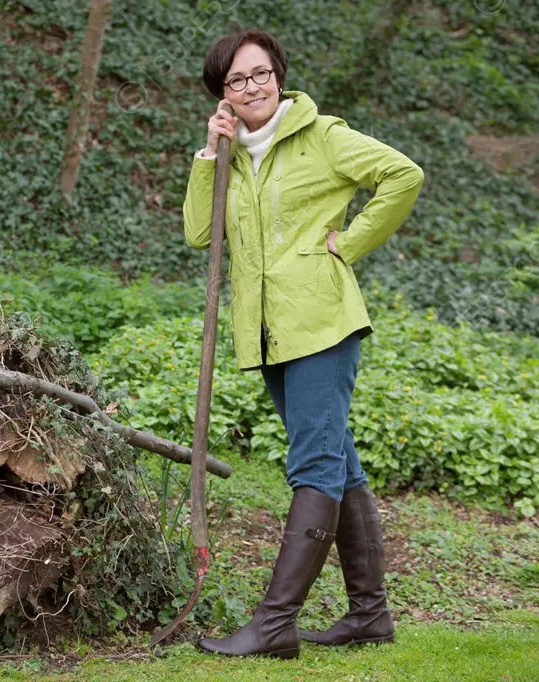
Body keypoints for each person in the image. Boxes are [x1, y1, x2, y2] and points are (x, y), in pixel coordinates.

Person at [182, 29, 425, 659]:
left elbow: (403, 174)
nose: (252, 87)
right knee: (340, 463)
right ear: (222, 95)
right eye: (237, 80)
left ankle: (274, 622)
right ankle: (370, 615)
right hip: (268, 335)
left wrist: (354, 241)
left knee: (315, 465)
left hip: (323, 324)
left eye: (261, 74)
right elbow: (198, 233)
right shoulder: (231, 153)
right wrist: (211, 157)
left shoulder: (323, 138)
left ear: (280, 76)